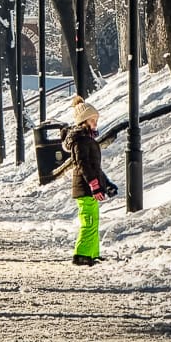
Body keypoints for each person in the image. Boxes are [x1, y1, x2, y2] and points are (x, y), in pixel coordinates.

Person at [61, 96, 115, 266]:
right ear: (84, 121)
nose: (96, 123)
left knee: (94, 221)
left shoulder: (88, 139)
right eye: (93, 120)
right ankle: (81, 254)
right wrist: (94, 185)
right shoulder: (80, 140)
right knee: (89, 221)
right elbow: (83, 165)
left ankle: (92, 253)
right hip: (84, 188)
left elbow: (95, 168)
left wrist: (106, 184)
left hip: (90, 187)